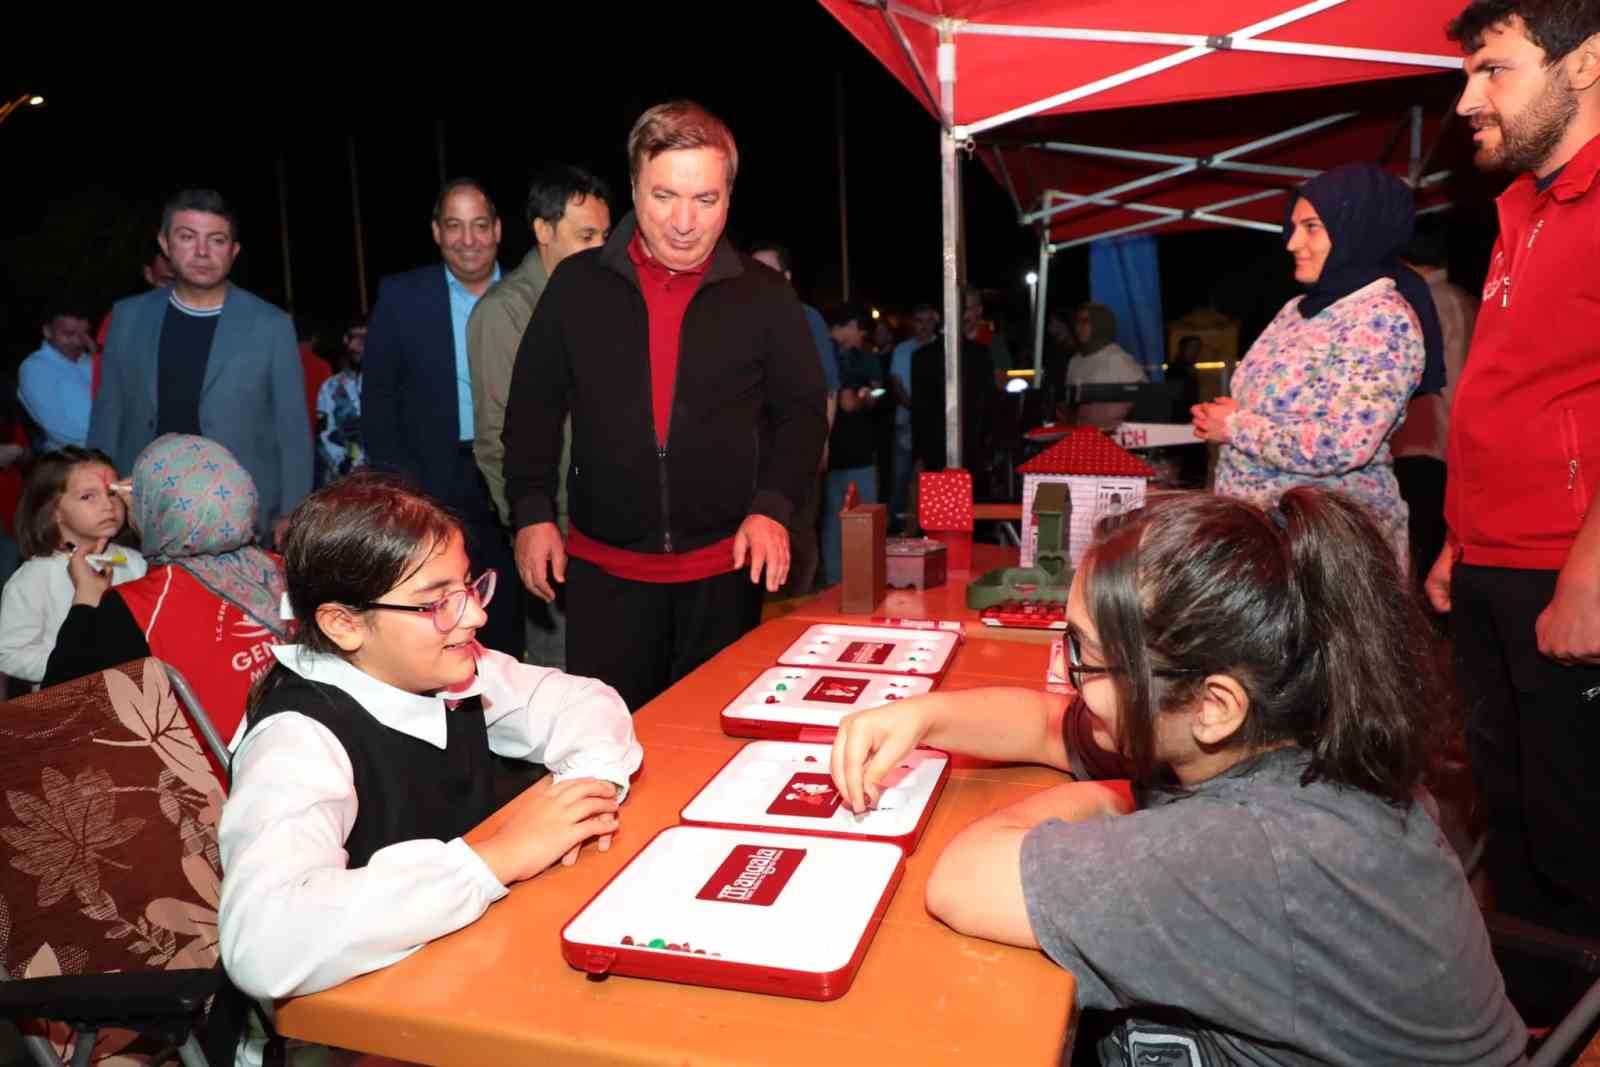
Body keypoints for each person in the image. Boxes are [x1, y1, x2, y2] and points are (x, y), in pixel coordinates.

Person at [829, 488, 1527, 1064]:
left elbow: (965, 877)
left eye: (1087, 657)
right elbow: (1048, 725)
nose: (1071, 676)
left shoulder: (1248, 854)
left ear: (1213, 704)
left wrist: (1112, 797)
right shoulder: (1287, 729)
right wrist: (923, 716)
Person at [216, 472, 641, 1065]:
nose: (473, 618)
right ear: (342, 624)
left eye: (469, 587)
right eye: (437, 602)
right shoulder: (296, 740)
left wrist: (582, 790)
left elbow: (583, 702)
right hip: (348, 1037)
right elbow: (263, 944)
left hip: (458, 977)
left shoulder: (433, 664)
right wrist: (492, 858)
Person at [503, 100, 827, 712]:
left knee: (714, 749)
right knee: (611, 755)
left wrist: (774, 505)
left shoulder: (766, 296)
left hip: (726, 575)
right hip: (602, 580)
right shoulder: (576, 285)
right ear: (633, 188)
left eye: (705, 200)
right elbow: (532, 408)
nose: (684, 222)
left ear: (729, 197)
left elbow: (803, 413)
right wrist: (531, 511)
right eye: (664, 196)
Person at [1427, 0, 1600, 956]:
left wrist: (1589, 572)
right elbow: (1510, 393)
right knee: (1515, 816)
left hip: (1567, 569)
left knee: (1579, 837)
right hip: (1497, 562)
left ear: (1585, 64)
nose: (1467, 99)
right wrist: (1461, 535)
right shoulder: (1521, 208)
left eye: (1493, 68)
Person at [1194, 163, 1429, 566]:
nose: (1292, 242)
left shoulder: (1381, 318)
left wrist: (1235, 427)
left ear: (1357, 228)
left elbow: (1341, 445)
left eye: (1312, 227)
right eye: (1293, 226)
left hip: (1330, 554)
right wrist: (1225, 415)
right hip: (1270, 543)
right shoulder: (1298, 309)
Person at [88, 189, 310, 544]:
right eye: (187, 237)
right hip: (143, 508)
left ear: (233, 251)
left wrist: (292, 511)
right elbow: (108, 414)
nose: (202, 251)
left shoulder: (270, 324)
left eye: (216, 240)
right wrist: (99, 494)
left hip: (241, 513)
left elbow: (293, 428)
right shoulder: (128, 317)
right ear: (165, 244)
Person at [362, 178, 523, 659]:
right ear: (436, 231)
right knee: (434, 606)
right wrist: (402, 490)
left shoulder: (528, 297)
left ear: (497, 230)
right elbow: (379, 402)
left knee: (508, 606)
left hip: (512, 474)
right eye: (454, 226)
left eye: (479, 225)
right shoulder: (402, 297)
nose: (467, 238)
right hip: (430, 478)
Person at [43, 435, 291, 746]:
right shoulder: (288, 569)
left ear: (160, 506)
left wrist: (86, 598)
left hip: (224, 783)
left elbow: (55, 711)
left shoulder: (137, 607)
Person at [469, 164, 612, 669]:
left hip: (611, 527)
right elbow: (495, 438)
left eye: (604, 235)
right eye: (585, 235)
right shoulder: (504, 312)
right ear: (543, 231)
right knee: (565, 683)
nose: (600, 248)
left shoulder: (600, 300)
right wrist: (532, 524)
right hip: (556, 531)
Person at [0, 448, 148, 685]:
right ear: (54, 512)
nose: (108, 506)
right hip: (70, 707)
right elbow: (8, 652)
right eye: (88, 496)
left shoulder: (137, 563)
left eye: (112, 493)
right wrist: (70, 664)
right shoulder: (35, 576)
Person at [749, 239, 839, 594]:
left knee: (797, 533)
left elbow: (827, 390)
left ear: (786, 277)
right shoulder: (740, 318)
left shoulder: (806, 318)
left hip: (795, 447)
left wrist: (821, 443)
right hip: (753, 455)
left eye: (767, 272)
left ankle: (795, 609)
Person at [1392, 227, 1479, 583]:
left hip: (1426, 442)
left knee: (1423, 545)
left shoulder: (1424, 303)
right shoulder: (1466, 298)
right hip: (1456, 441)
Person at [818, 303, 883, 588]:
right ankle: (855, 582)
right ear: (851, 325)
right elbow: (847, 401)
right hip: (847, 452)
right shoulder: (834, 355)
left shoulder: (834, 351)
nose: (863, 336)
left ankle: (841, 581)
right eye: (861, 330)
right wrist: (864, 397)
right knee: (855, 519)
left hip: (837, 451)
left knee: (836, 520)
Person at [886, 304, 939, 532]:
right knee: (901, 476)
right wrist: (917, 409)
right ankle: (897, 526)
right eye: (919, 320)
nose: (924, 326)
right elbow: (897, 386)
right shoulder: (902, 350)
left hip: (936, 425)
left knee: (931, 476)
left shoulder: (943, 348)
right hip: (907, 423)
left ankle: (929, 524)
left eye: (928, 320)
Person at [17, 305, 94, 452]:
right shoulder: (36, 368)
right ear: (47, 331)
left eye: (84, 334)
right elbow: (68, 432)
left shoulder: (91, 361)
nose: (78, 342)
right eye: (68, 334)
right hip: (74, 464)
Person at [1066, 303, 1147, 429]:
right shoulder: (1075, 360)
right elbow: (1071, 403)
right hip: (1083, 436)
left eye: (1085, 322)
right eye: (1077, 322)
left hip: (1112, 436)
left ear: (1100, 324)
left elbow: (1144, 396)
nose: (1078, 327)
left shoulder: (1116, 358)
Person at [314, 315, 367, 485]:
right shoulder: (331, 386)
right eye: (354, 337)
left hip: (385, 479)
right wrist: (347, 466)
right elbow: (324, 435)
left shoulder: (388, 383)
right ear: (345, 340)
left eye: (365, 338)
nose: (358, 345)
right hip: (345, 482)